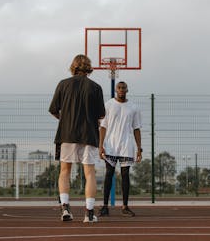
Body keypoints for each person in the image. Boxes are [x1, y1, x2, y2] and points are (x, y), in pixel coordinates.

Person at [49, 54, 105, 223]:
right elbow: (101, 114)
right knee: (89, 174)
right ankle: (88, 213)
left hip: (67, 134)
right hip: (89, 134)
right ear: (89, 68)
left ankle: (65, 208)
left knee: (64, 171)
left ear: (73, 66)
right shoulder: (96, 87)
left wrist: (65, 120)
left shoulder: (63, 84)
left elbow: (53, 109)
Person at [98, 81, 142, 217]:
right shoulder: (109, 105)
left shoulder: (133, 107)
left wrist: (139, 148)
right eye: (119, 88)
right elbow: (103, 127)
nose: (121, 90)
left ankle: (125, 206)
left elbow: (136, 129)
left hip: (126, 145)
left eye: (124, 88)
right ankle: (105, 206)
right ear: (116, 90)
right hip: (110, 145)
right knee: (109, 174)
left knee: (125, 175)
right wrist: (100, 145)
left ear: (127, 90)